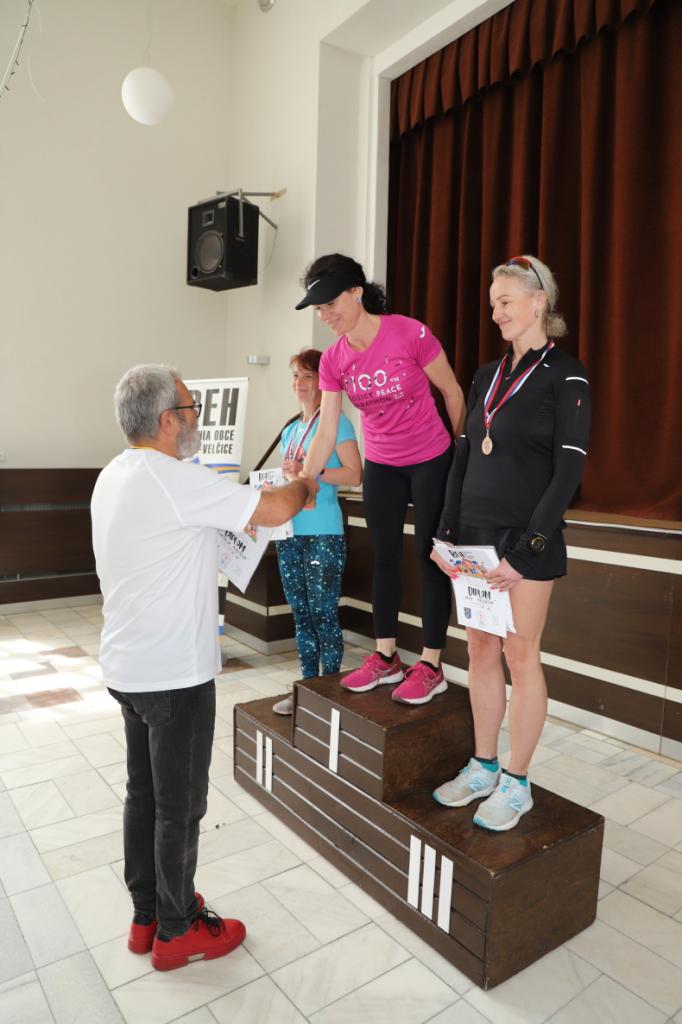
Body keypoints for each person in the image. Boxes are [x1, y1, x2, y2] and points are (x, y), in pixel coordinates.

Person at [90, 364, 317, 971]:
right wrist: (302, 484)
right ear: (168, 420)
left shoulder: (113, 474)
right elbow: (275, 508)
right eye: (191, 409)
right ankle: (178, 930)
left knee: (144, 795)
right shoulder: (174, 477)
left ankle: (147, 915)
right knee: (180, 806)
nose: (197, 419)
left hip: (128, 668)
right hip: (174, 675)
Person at [431, 256, 590, 831]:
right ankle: (483, 765)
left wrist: (527, 552)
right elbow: (464, 459)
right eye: (493, 303)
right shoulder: (485, 377)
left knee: (521, 655)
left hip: (526, 544)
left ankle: (517, 782)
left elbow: (567, 474)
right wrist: (446, 534)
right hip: (473, 541)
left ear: (539, 301)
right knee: (479, 651)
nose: (496, 312)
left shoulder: (567, 376)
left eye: (505, 301)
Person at [295, 253, 465, 705]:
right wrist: (306, 480)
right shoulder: (334, 360)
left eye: (330, 303)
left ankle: (431, 664)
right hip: (384, 466)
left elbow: (451, 392)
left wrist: (461, 459)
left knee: (430, 557)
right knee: (385, 557)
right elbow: (327, 429)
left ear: (356, 292)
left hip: (431, 457)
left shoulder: (409, 333)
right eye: (318, 308)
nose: (325, 315)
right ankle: (386, 656)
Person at [272, 349, 362, 715]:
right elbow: (288, 479)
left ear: (323, 383)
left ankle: (329, 692)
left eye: (308, 376)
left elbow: (355, 474)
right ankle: (307, 689)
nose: (300, 383)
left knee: (324, 613)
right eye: (295, 376)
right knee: (300, 613)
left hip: (324, 532)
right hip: (290, 531)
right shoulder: (290, 431)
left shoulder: (337, 423)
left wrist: (315, 473)